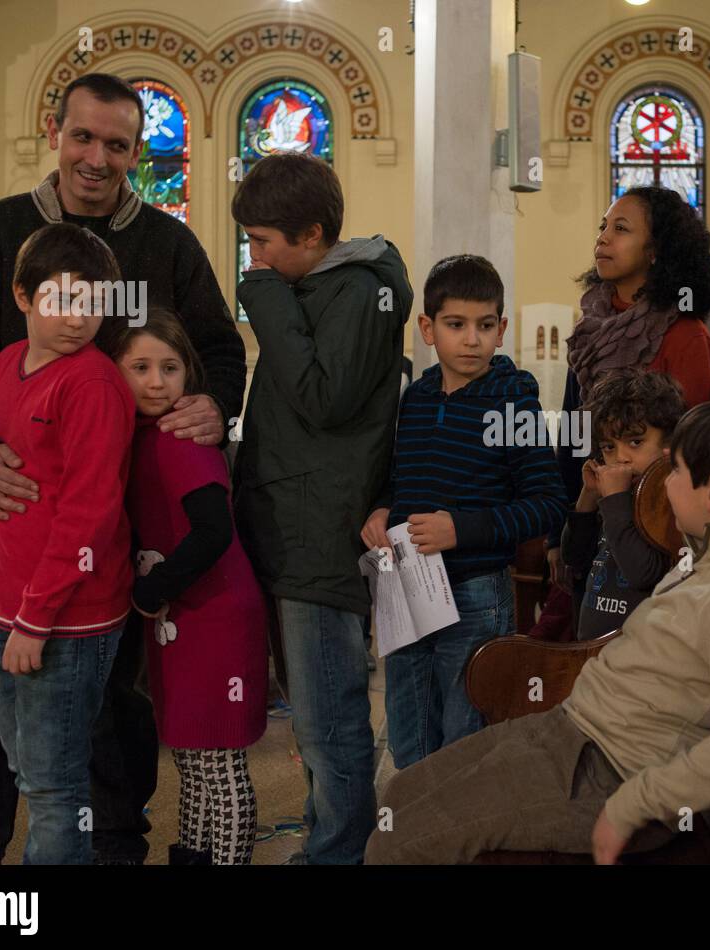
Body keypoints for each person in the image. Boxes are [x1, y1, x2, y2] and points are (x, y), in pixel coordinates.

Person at [0, 71, 245, 866]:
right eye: (83, 137)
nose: (97, 157)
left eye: (117, 144)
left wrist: (214, 404)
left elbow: (215, 346)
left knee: (111, 701)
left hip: (119, 515)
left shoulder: (168, 242)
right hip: (7, 505)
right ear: (55, 131)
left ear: (136, 152)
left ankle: (112, 845)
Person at [365, 396, 710, 864]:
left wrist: (633, 805)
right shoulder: (705, 560)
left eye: (676, 470)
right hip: (572, 732)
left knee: (396, 842)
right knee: (400, 795)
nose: (665, 479)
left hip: (605, 773)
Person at [232, 150, 412, 865]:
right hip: (292, 519)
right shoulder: (321, 287)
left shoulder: (363, 290)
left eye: (263, 242)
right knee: (310, 715)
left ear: (311, 235)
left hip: (322, 525)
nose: (255, 257)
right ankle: (324, 834)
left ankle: (339, 851)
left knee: (329, 713)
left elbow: (324, 398)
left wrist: (265, 300)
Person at [0, 223, 135, 864]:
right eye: (59, 300)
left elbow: (91, 512)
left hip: (69, 618)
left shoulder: (94, 384)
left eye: (90, 303)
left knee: (56, 786)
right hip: (12, 606)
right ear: (23, 296)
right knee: (25, 766)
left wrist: (37, 618)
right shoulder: (4, 365)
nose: (76, 319)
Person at [361, 254, 565, 767]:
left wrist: (463, 529)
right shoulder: (417, 400)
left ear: (502, 330)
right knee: (409, 731)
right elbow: (401, 475)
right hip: (408, 588)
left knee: (465, 739)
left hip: (475, 592)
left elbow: (548, 504)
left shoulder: (514, 403)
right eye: (456, 325)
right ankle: (414, 837)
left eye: (484, 325)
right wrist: (383, 508)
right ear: (429, 329)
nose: (471, 339)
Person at [98, 309, 269, 865]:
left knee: (217, 767)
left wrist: (151, 591)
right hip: (184, 615)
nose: (155, 381)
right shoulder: (144, 436)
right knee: (193, 765)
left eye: (169, 367)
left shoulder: (179, 437)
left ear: (189, 373)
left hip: (212, 613)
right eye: (140, 366)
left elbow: (214, 532)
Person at [551, 186, 710, 619]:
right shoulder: (591, 327)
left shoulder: (684, 335)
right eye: (603, 227)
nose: (603, 238)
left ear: (655, 251)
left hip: (653, 537)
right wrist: (562, 529)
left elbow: (690, 452)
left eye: (621, 229)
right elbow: (574, 434)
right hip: (591, 518)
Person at [562, 369, 685, 641]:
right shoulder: (614, 496)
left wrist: (615, 500)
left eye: (635, 442)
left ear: (669, 444)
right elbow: (573, 557)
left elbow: (643, 573)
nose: (620, 458)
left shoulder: (670, 501)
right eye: (608, 447)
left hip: (637, 657)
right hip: (594, 656)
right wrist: (590, 496)